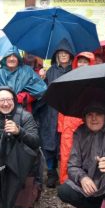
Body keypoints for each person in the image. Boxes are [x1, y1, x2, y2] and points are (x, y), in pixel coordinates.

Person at [0, 86, 42, 208]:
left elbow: (36, 142)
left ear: (14, 100)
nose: (5, 103)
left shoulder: (26, 116)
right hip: (2, 157)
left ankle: (35, 187)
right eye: (1, 100)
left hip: (24, 160)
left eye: (8, 99)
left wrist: (19, 131)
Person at [37, 41, 74, 188]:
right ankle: (52, 173)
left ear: (70, 55)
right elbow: (42, 90)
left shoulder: (75, 70)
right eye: (60, 53)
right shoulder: (50, 71)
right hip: (51, 111)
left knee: (66, 142)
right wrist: (42, 78)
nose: (63, 55)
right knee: (49, 141)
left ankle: (68, 172)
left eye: (65, 53)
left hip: (68, 112)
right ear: (56, 56)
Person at [57, 51, 96, 184]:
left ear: (91, 63)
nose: (82, 64)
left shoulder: (96, 80)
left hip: (86, 120)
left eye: (86, 62)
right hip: (69, 120)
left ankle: (84, 180)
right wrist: (61, 125)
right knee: (66, 152)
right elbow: (62, 103)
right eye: (80, 61)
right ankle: (65, 180)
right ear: (76, 63)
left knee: (85, 152)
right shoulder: (69, 78)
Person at [0, 46, 47, 113]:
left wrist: (24, 97)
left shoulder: (27, 71)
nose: (11, 59)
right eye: (9, 56)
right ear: (5, 59)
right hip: (2, 110)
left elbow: (41, 89)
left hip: (23, 111)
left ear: (18, 59)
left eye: (14, 56)